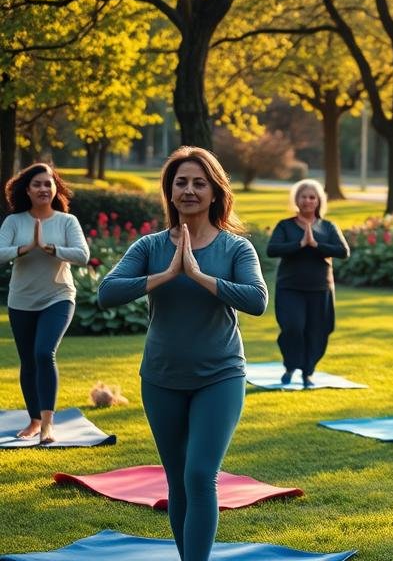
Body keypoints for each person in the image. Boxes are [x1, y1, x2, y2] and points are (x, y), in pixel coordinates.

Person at [99, 147, 268, 561]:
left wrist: (199, 276)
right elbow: (107, 293)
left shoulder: (235, 249)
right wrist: (166, 275)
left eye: (198, 183)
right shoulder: (151, 246)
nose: (189, 190)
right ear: (170, 193)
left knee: (199, 474)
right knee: (177, 480)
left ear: (214, 192)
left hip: (220, 376)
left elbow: (258, 300)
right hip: (161, 378)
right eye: (181, 183)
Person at [0, 163, 89, 444]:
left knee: (43, 353)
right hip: (22, 300)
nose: (43, 188)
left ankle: (48, 424)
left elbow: (83, 255)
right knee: (28, 361)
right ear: (27, 189)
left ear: (55, 189)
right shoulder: (14, 222)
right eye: (37, 184)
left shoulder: (66, 222)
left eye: (48, 184)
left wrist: (52, 249)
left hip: (58, 296)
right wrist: (24, 249)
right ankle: (34, 421)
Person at [267, 179, 350, 387]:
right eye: (303, 196)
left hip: (320, 288)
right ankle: (290, 365)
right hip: (290, 287)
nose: (307, 201)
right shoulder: (285, 226)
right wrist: (299, 244)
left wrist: (316, 245)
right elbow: (272, 249)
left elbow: (343, 252)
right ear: (297, 200)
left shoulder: (328, 226)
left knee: (318, 330)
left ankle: (308, 371)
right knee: (293, 327)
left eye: (312, 197)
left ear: (318, 201)